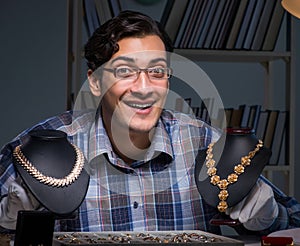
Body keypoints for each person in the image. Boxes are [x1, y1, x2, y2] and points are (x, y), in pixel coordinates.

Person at [0, 10, 300, 235]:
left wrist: (270, 217)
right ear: (94, 82)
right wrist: (6, 224)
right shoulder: (37, 149)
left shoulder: (204, 142)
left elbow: (294, 220)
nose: (144, 87)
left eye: (157, 71)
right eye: (125, 72)